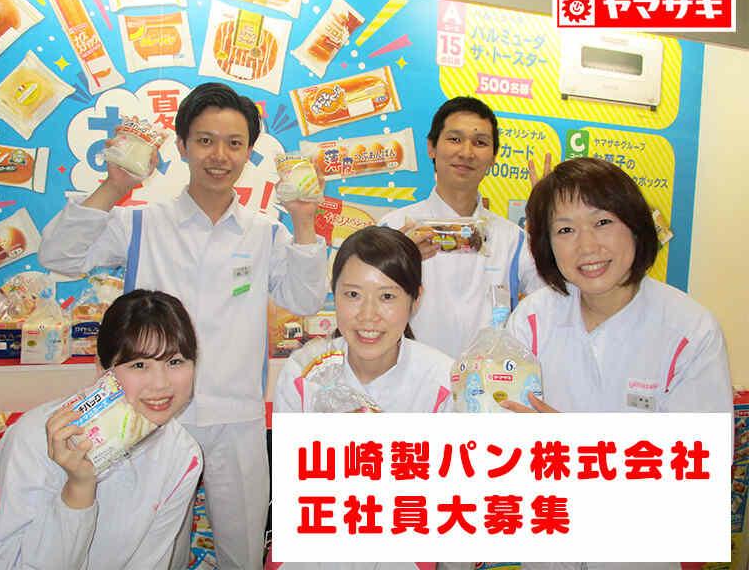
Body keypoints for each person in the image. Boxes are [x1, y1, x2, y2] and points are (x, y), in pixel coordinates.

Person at [38, 83, 328, 569]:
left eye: (234, 143)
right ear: (181, 146)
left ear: (249, 153)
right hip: (149, 417)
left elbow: (304, 299)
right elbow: (59, 255)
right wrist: (114, 186)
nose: (220, 156)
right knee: (153, 552)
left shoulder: (265, 233)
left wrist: (303, 221)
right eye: (205, 140)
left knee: (242, 551)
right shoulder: (141, 225)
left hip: (236, 416)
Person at [501, 157, 733, 570]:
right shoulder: (533, 319)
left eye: (603, 222)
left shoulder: (690, 331)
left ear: (636, 225)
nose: (587, 246)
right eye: (565, 230)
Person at [0, 290, 202, 569]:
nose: (161, 384)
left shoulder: (182, 454)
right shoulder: (35, 437)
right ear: (102, 368)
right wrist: (79, 486)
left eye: (175, 362)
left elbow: (150, 562)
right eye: (139, 365)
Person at [272, 226, 453, 570]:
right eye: (353, 295)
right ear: (334, 294)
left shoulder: (441, 381)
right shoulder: (304, 373)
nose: (368, 315)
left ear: (415, 299)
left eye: (387, 297)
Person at [380, 97, 543, 359]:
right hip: (410, 378)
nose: (466, 153)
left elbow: (552, 299)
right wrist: (398, 259)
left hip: (488, 380)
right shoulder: (392, 228)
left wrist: (550, 222)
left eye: (480, 143)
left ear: (493, 158)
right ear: (431, 147)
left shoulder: (513, 239)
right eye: (455, 139)